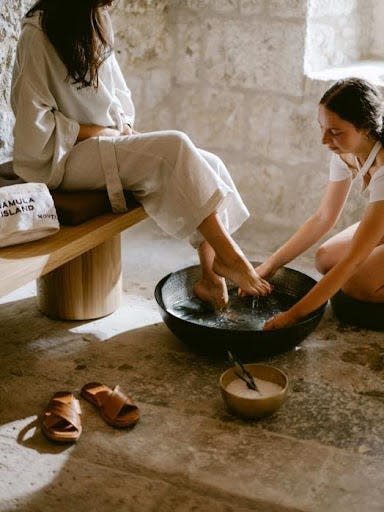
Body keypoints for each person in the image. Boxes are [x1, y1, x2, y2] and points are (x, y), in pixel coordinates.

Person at [11, 0, 271, 310]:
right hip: (59, 157)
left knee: (208, 163)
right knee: (175, 145)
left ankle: (210, 280)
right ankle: (231, 257)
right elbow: (33, 122)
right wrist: (99, 132)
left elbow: (116, 93)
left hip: (101, 143)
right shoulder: (37, 34)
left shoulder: (93, 18)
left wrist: (124, 129)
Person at [257, 77, 384, 330]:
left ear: (366, 129)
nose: (324, 140)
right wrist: (269, 266)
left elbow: (352, 261)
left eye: (335, 132)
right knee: (325, 258)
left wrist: (293, 316)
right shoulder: (345, 153)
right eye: (322, 128)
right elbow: (323, 217)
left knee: (355, 282)